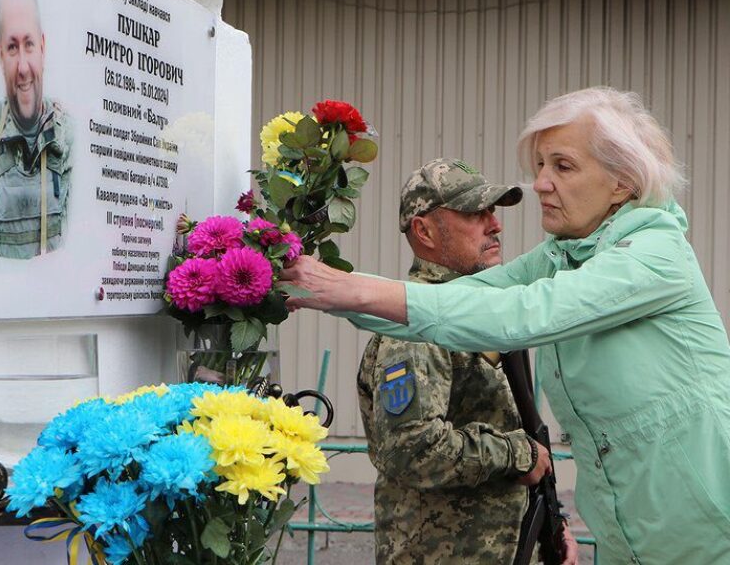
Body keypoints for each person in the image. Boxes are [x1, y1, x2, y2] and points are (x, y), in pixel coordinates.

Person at [281, 87, 730, 565]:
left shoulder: (654, 255)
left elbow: (524, 313)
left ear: (621, 183)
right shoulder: (567, 255)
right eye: (539, 165)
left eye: (562, 166)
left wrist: (345, 290)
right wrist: (318, 289)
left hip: (700, 531)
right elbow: (470, 298)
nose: (539, 183)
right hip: (631, 532)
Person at [359, 158, 577, 564]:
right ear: (423, 230)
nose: (495, 225)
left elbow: (518, 425)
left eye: (492, 211)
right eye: (475, 214)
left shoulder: (485, 312)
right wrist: (517, 454)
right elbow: (413, 450)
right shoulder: (416, 328)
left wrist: (552, 521)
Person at [0, 0, 73, 259]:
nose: (23, 67)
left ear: (43, 47)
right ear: (0, 55)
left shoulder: (68, 135)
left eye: (29, 44)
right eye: (13, 47)